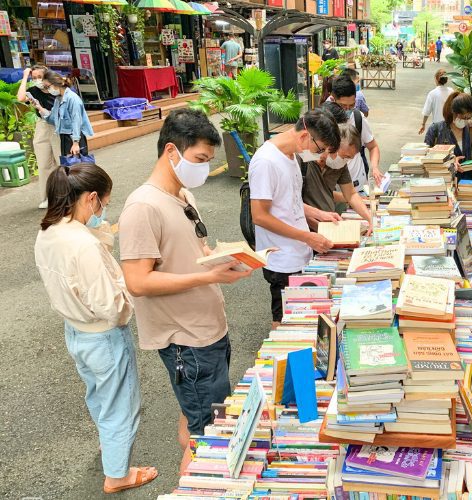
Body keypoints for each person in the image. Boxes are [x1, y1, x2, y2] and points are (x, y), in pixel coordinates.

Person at [118, 109, 252, 473]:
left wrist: (222, 259)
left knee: (196, 416)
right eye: (200, 159)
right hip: (186, 341)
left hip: (207, 329)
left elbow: (191, 254)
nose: (205, 168)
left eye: (209, 161)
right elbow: (138, 281)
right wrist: (208, 277)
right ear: (172, 152)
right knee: (208, 434)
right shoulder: (143, 207)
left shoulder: (182, 194)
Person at [35, 163, 158, 494]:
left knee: (99, 393)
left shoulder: (48, 231)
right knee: (121, 402)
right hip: (102, 333)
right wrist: (131, 297)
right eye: (104, 201)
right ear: (91, 198)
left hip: (75, 330)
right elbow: (110, 304)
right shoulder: (83, 245)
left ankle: (110, 445)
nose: (104, 207)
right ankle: (117, 475)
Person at [249, 109, 341, 329]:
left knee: (303, 317)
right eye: (319, 149)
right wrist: (306, 237)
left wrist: (317, 214)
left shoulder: (291, 157)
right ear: (304, 136)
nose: (320, 155)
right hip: (281, 259)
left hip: (299, 252)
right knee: (285, 323)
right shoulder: (266, 162)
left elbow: (287, 201)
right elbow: (260, 216)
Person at [300, 120, 374, 233]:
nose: (345, 161)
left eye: (349, 158)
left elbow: (351, 194)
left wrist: (370, 219)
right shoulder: (303, 159)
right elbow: (291, 203)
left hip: (327, 225)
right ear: (331, 146)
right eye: (344, 156)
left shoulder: (340, 165)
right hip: (304, 227)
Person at [17, 65, 60, 209]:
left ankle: (67, 195)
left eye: (39, 77)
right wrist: (25, 77)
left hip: (57, 125)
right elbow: (20, 97)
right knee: (43, 165)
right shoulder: (33, 91)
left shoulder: (55, 88)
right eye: (33, 77)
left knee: (62, 163)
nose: (36, 80)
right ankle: (47, 197)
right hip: (42, 125)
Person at [329, 76, 383, 189]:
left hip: (358, 183)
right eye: (343, 106)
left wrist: (374, 167)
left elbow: (373, 147)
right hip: (333, 188)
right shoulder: (323, 120)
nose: (348, 110)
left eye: (352, 105)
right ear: (333, 99)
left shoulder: (358, 118)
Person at [423, 91, 472, 180]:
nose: (465, 121)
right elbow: (426, 157)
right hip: (443, 181)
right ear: (453, 112)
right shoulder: (436, 129)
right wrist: (450, 161)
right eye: (463, 118)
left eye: (468, 118)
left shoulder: (471, 129)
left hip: (467, 183)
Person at [36, 71, 93, 159]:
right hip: (64, 137)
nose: (48, 90)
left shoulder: (72, 98)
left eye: (48, 87)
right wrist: (39, 108)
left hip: (74, 136)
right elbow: (53, 119)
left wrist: (75, 142)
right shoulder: (58, 99)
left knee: (77, 168)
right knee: (69, 167)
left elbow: (76, 120)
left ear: (56, 83)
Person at [419, 69, 453, 134]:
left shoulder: (432, 93)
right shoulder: (451, 91)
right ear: (446, 80)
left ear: (436, 79)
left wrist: (423, 124)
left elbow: (426, 112)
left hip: (437, 127)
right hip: (451, 126)